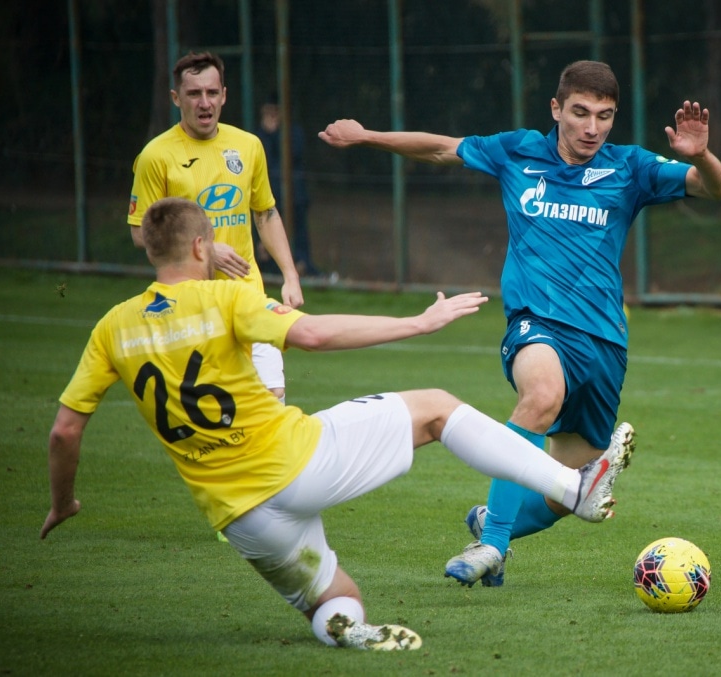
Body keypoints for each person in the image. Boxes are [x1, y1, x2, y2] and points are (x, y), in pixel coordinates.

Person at [40, 197, 635, 651]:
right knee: (434, 407)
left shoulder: (112, 327)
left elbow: (65, 431)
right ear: (202, 248)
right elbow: (316, 333)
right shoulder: (225, 297)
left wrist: (63, 501)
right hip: (296, 463)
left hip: (239, 517)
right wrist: (417, 324)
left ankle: (345, 630)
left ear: (148, 248)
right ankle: (571, 488)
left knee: (336, 600)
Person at [319, 60, 721, 587]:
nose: (592, 128)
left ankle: (494, 523)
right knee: (540, 396)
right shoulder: (519, 151)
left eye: (605, 116)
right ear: (556, 109)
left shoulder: (629, 168)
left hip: (604, 343)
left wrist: (702, 157)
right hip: (535, 324)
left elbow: (715, 189)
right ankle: (490, 547)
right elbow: (442, 147)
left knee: (565, 491)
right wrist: (368, 136)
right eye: (580, 113)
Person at [127, 52, 302, 403]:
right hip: (191, 306)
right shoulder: (155, 156)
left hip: (247, 295)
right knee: (216, 413)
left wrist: (290, 275)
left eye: (211, 92)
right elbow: (138, 233)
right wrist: (205, 250)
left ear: (224, 94)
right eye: (193, 94)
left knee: (273, 398)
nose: (204, 102)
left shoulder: (248, 146)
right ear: (176, 99)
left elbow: (265, 214)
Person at [253, 95, 319, 277]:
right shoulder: (257, 136)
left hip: (295, 195)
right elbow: (260, 158)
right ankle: (273, 269)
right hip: (269, 196)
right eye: (268, 112)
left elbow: (292, 154)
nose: (271, 116)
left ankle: (303, 265)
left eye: (275, 112)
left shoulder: (293, 132)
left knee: (299, 235)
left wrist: (275, 134)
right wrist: (267, 134)